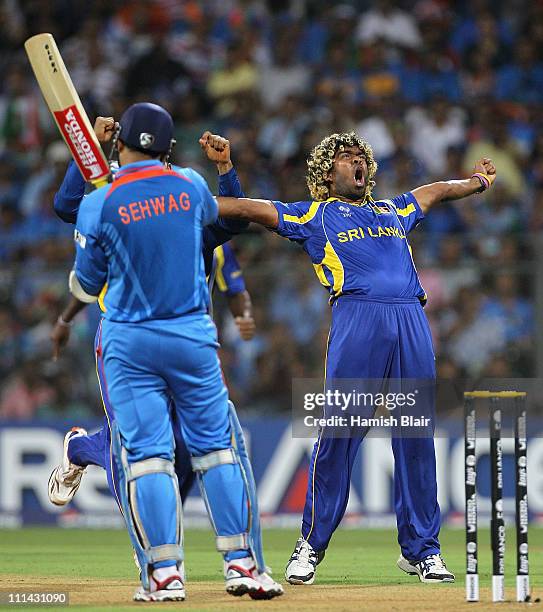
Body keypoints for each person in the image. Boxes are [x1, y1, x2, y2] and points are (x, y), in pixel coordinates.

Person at [199, 129, 496, 585]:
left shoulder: (392, 210)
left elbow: (436, 191)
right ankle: (310, 546)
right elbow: (246, 210)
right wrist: (204, 183)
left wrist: (478, 182)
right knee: (338, 434)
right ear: (326, 172)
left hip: (411, 321)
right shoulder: (313, 215)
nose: (357, 162)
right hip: (358, 321)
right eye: (345, 157)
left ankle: (423, 550)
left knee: (416, 436)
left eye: (361, 157)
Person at [65, 103, 283, 602]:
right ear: (169, 147)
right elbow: (231, 221)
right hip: (188, 335)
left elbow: (78, 242)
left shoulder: (105, 198)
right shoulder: (189, 189)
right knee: (216, 450)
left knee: (147, 457)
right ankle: (242, 564)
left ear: (122, 144)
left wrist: (92, 157)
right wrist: (223, 174)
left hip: (128, 338)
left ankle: (164, 572)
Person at [48, 118, 255, 510]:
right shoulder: (116, 203)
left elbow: (233, 220)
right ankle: (148, 541)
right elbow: (66, 207)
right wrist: (87, 146)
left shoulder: (185, 202)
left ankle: (80, 448)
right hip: (125, 334)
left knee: (182, 442)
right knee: (132, 442)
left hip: (183, 337)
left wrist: (226, 170)